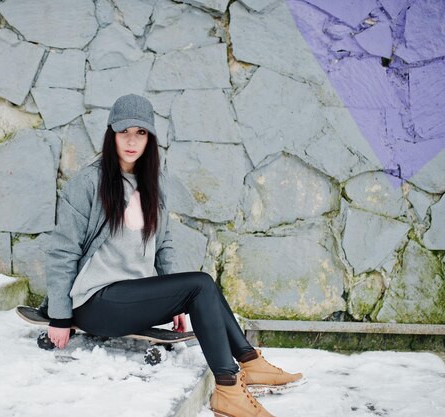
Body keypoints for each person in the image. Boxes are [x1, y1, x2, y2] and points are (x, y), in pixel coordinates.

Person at [42, 94, 302, 417]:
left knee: (200, 287)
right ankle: (229, 387)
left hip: (132, 298)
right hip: (96, 302)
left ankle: (250, 364)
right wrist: (59, 316)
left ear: (150, 139)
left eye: (141, 133)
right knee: (202, 284)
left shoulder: (153, 185)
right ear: (112, 134)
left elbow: (163, 246)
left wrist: (174, 300)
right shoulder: (88, 184)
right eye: (124, 132)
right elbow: (62, 250)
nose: (132, 141)